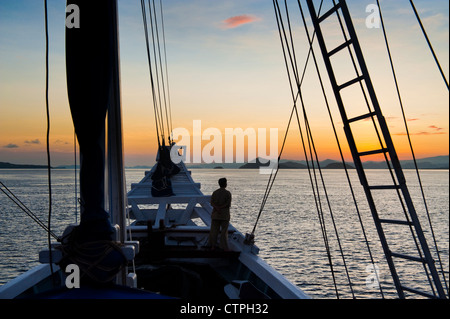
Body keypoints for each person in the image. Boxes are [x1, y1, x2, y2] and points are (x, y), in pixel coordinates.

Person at [208, 178, 232, 251]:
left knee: (213, 231)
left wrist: (217, 208)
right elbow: (228, 204)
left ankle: (212, 246)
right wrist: (220, 208)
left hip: (215, 214)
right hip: (224, 215)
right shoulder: (227, 193)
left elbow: (212, 203)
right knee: (224, 232)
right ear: (225, 184)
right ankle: (224, 247)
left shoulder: (215, 192)